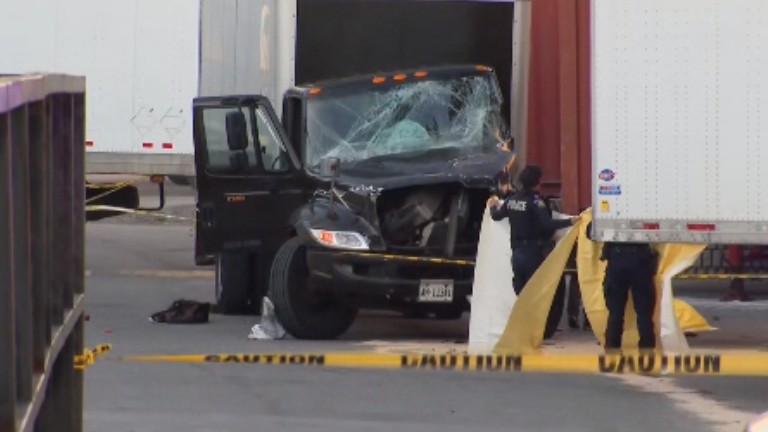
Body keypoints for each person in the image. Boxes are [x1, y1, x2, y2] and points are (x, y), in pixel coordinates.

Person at [489, 165, 580, 296]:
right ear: (537, 183)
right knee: (534, 293)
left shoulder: (511, 200)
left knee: (520, 292)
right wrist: (570, 222)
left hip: (516, 254)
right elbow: (547, 224)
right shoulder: (535, 202)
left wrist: (492, 206)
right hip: (532, 253)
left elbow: (495, 216)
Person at [587, 223, 658, 352]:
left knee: (615, 313)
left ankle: (612, 349)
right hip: (641, 262)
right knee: (644, 313)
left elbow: (591, 232)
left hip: (616, 261)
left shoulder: (611, 210)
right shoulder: (644, 208)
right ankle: (647, 350)